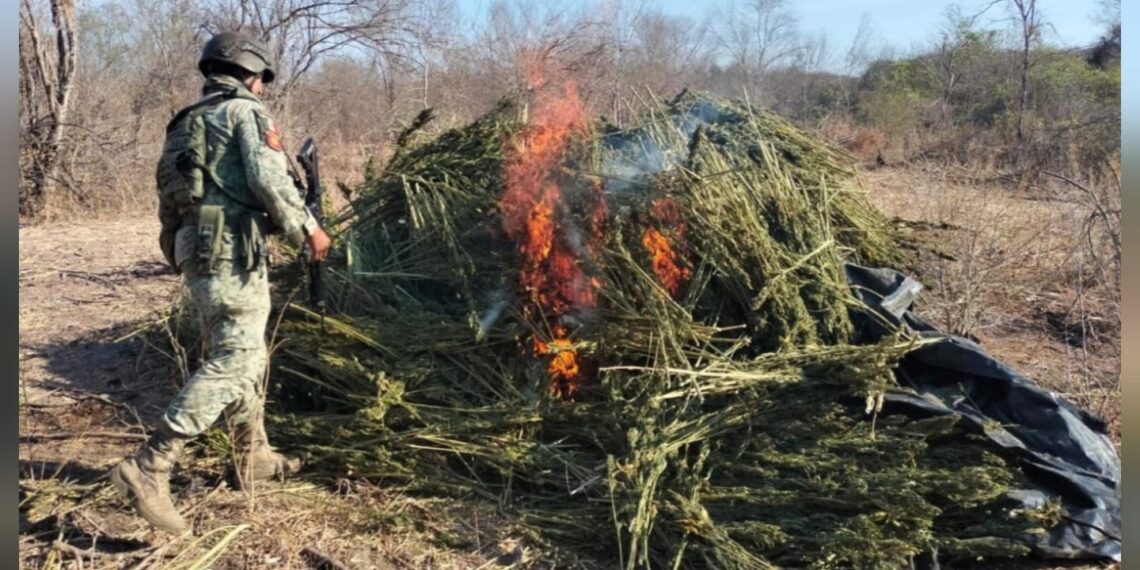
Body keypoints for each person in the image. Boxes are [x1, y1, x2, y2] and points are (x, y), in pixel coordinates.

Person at [110, 31, 332, 533]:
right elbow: (268, 178)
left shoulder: (185, 123)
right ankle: (150, 465)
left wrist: (175, 243)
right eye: (261, 80)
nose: (263, 90)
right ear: (248, 74)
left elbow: (169, 195)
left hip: (198, 245)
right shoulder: (244, 113)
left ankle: (252, 455)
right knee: (239, 358)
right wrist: (308, 229)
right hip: (231, 247)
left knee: (238, 355)